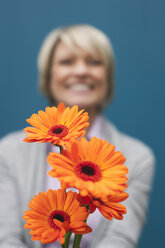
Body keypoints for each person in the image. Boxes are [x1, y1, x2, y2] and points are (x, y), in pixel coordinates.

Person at [0, 24, 155, 248]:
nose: (81, 71)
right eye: (66, 62)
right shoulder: (8, 151)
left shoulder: (138, 158)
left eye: (94, 62)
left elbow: (120, 239)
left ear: (108, 77)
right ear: (48, 75)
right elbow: (6, 237)